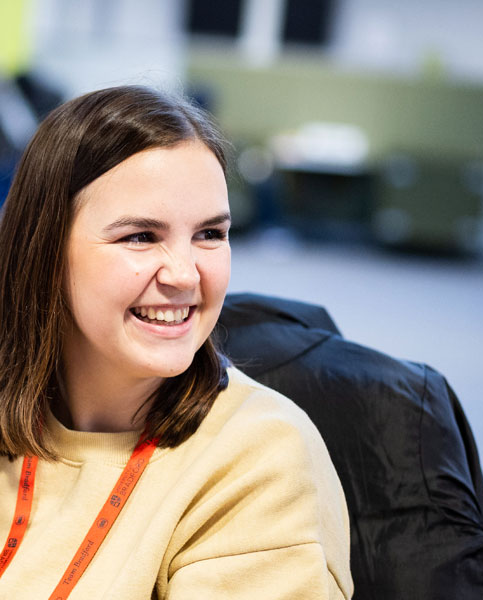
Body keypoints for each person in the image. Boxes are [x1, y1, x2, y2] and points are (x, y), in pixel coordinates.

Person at [0, 85, 352, 599]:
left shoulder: (259, 458)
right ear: (45, 250)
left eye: (210, 234)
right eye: (141, 236)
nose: (187, 275)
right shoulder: (17, 414)